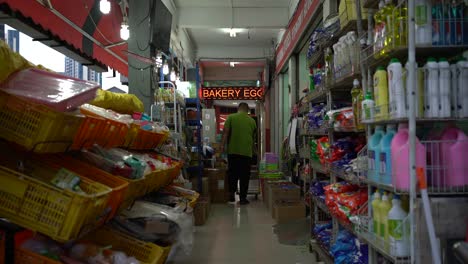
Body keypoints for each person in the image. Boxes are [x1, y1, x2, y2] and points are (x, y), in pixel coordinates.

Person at [220, 102, 257, 205]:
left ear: (238, 108)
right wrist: (255, 152)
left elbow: (226, 133)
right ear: (247, 110)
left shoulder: (231, 117)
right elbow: (253, 139)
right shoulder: (252, 121)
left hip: (233, 151)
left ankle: (231, 195)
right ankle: (243, 198)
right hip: (246, 153)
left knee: (233, 174)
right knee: (244, 176)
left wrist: (221, 147)